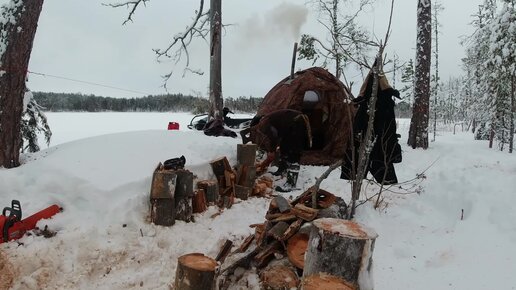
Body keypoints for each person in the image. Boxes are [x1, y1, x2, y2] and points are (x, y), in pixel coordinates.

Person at [341, 68, 402, 185]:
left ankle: (380, 173)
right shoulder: (370, 101)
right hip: (370, 128)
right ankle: (361, 172)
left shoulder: (383, 101)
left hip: (380, 129)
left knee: (380, 149)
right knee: (367, 147)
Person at [249, 109, 312, 176]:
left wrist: (272, 151)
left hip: (295, 124)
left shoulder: (264, 123)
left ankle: (291, 179)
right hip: (292, 125)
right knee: (284, 148)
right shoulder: (267, 119)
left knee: (293, 151)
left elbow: (273, 135)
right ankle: (282, 170)